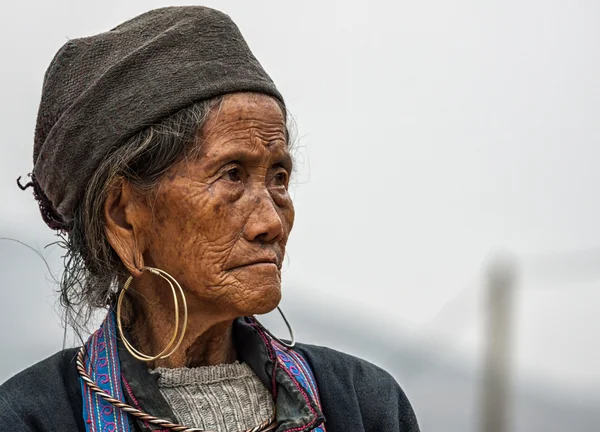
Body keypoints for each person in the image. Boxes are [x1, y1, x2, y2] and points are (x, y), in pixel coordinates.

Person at [0, 6, 419, 432]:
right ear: (124, 216)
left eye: (279, 178)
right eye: (232, 174)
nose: (270, 223)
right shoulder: (31, 418)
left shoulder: (364, 406)